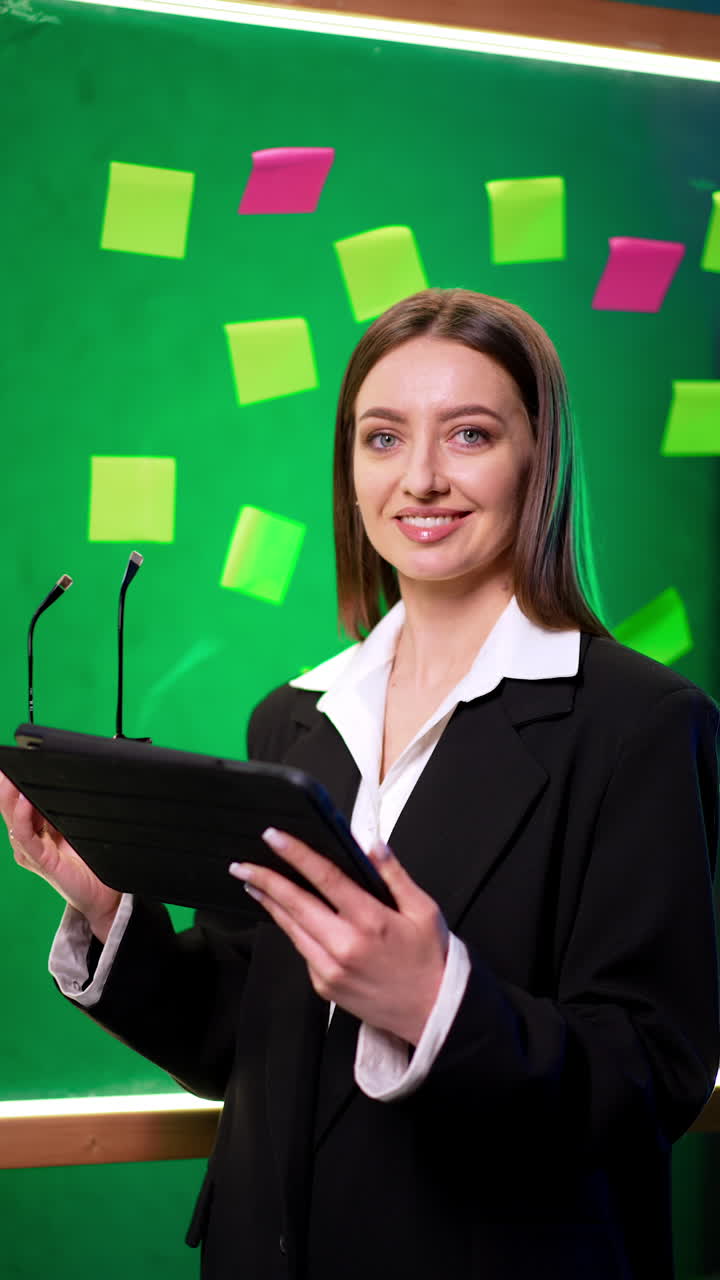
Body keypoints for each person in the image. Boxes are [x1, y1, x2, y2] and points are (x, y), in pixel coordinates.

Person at [1, 288, 718, 1280]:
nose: (420, 477)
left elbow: (652, 1077)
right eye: (383, 438)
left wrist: (436, 1002)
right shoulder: (293, 718)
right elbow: (244, 1041)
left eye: (469, 434)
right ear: (348, 470)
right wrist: (106, 899)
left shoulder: (641, 726)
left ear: (537, 459)